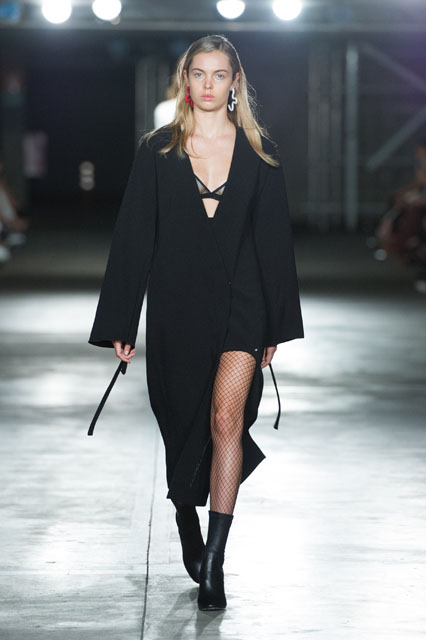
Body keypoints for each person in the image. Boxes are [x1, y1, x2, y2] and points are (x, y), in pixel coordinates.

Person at [88, 34, 304, 611]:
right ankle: (185, 511)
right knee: (181, 419)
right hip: (177, 305)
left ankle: (214, 561)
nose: (209, 84)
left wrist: (275, 325)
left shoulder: (259, 153)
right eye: (199, 74)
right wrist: (122, 319)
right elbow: (134, 238)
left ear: (235, 84)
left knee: (226, 419)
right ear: (186, 81)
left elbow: (274, 242)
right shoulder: (159, 150)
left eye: (219, 74)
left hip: (243, 304)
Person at [376, 140, 426, 291]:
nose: (418, 156)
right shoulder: (421, 167)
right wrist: (402, 195)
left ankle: (413, 246)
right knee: (398, 202)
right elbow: (419, 182)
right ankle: (395, 236)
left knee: (416, 213)